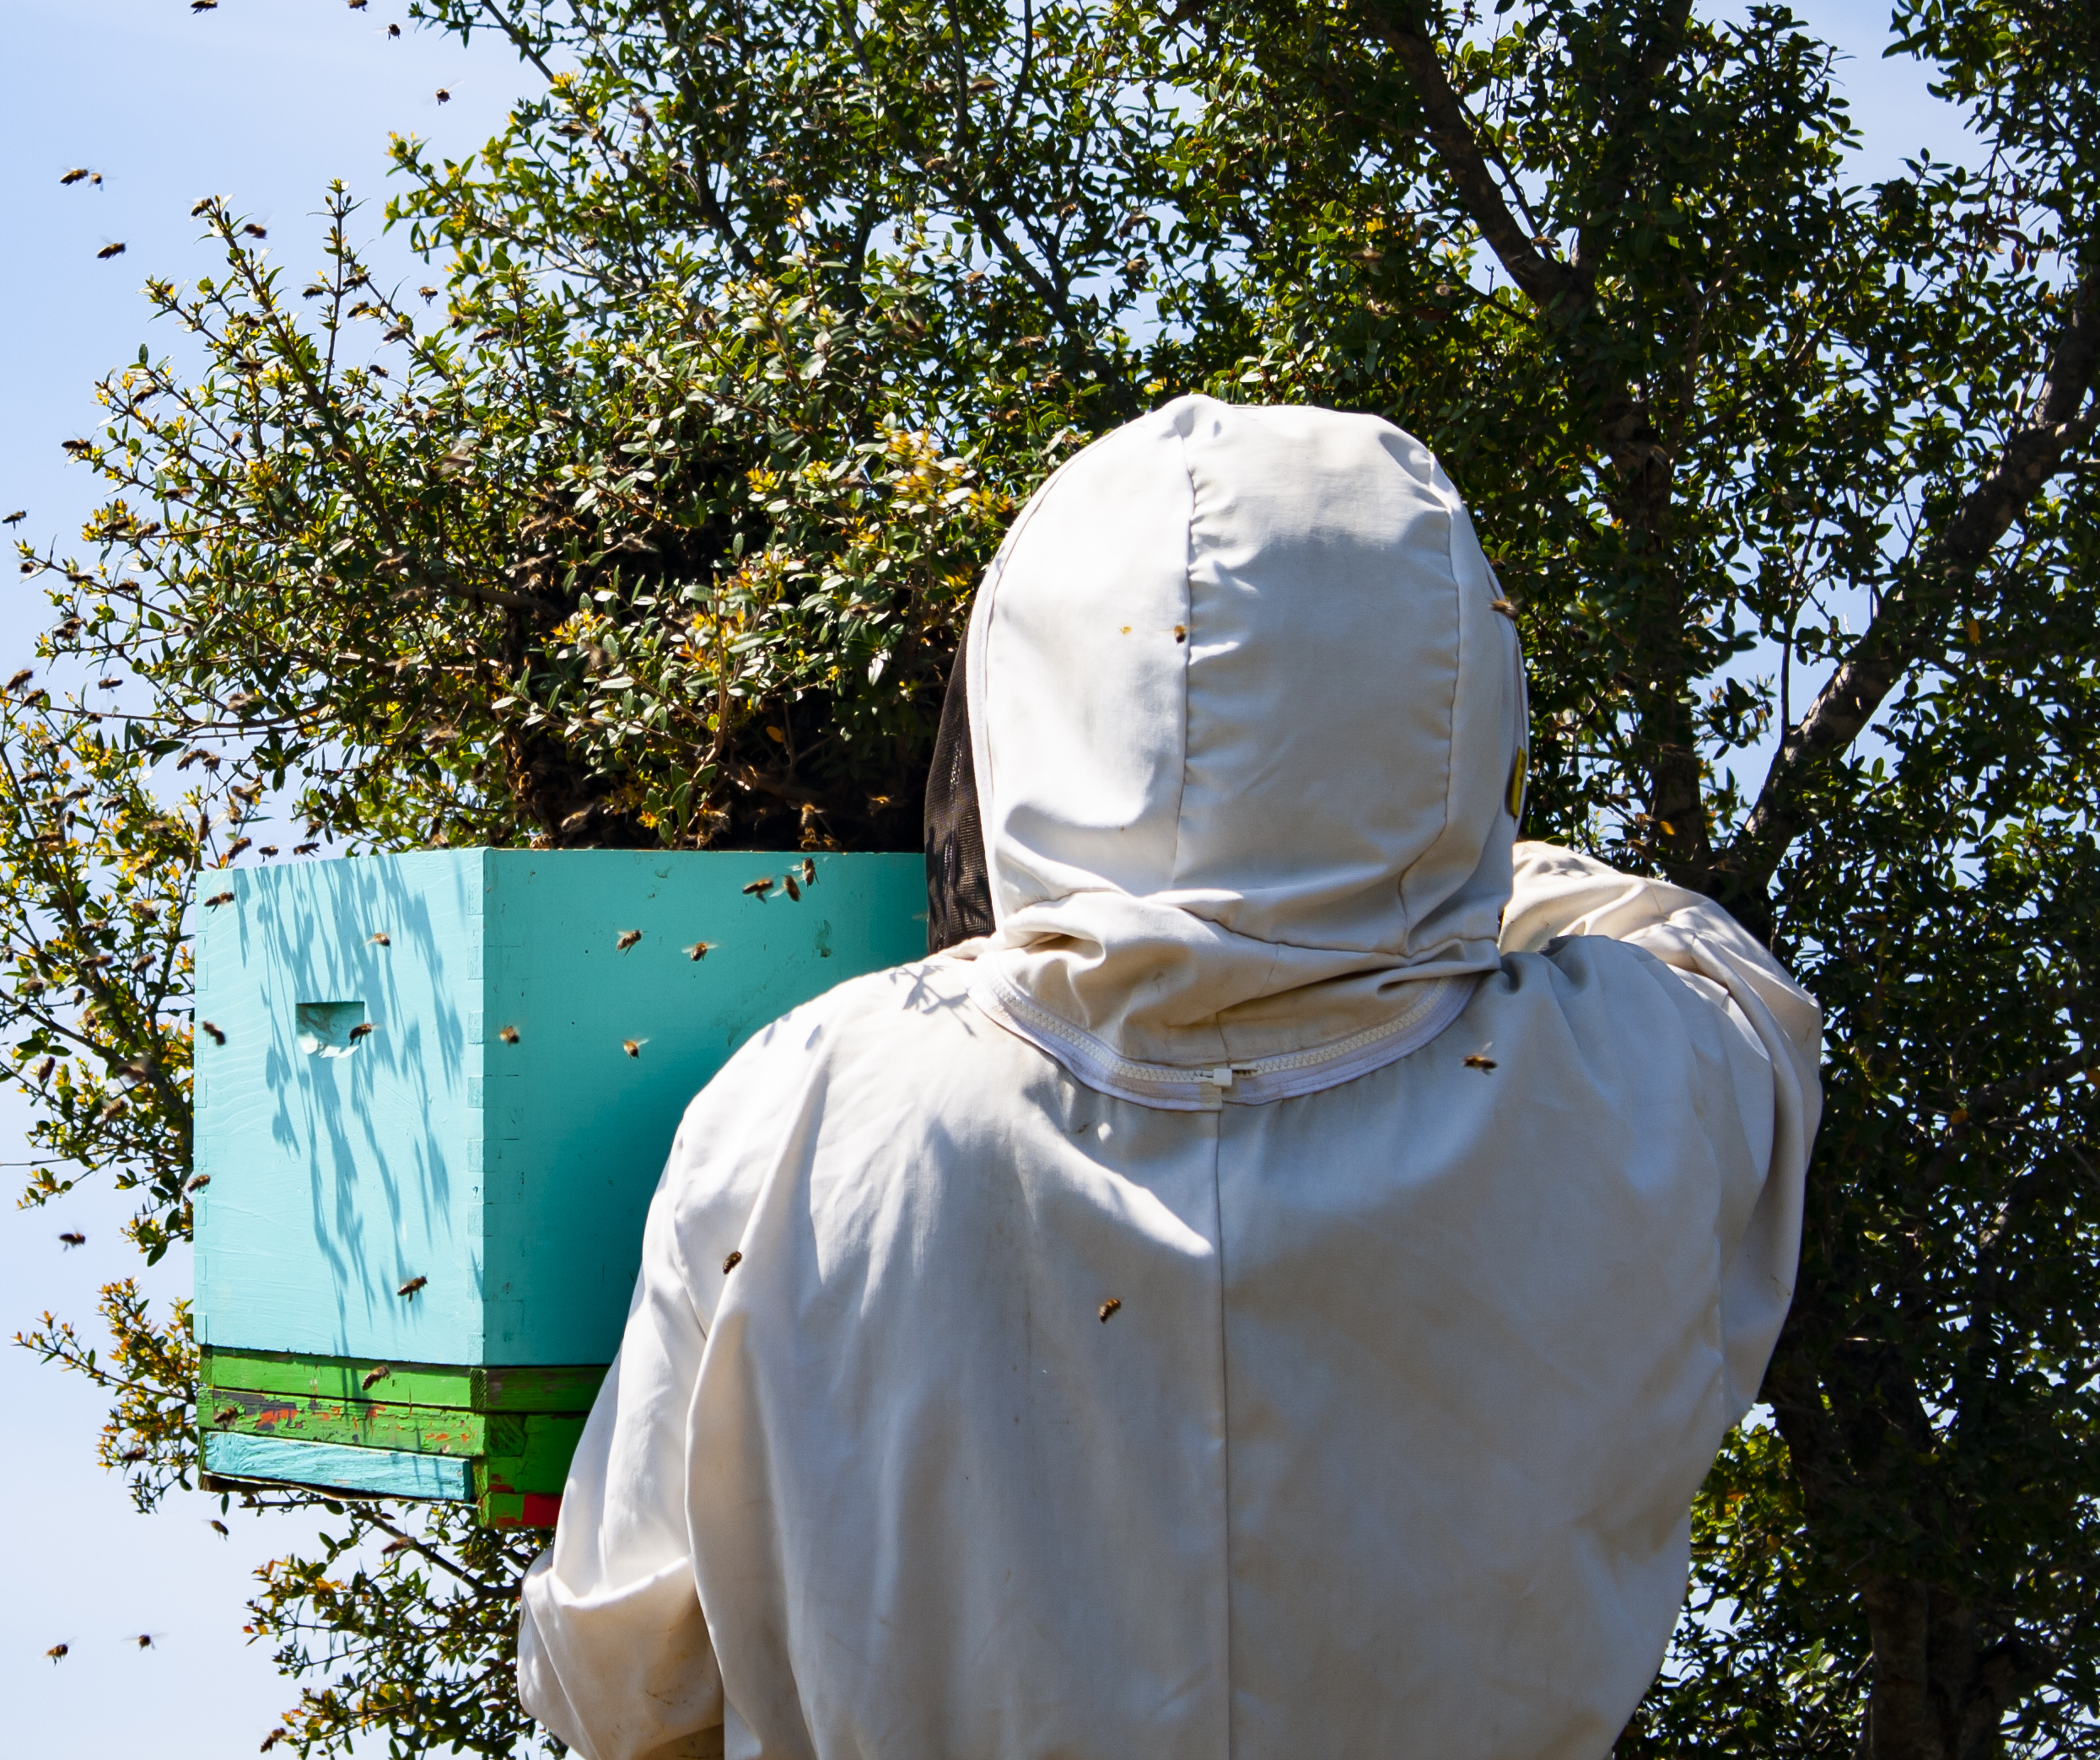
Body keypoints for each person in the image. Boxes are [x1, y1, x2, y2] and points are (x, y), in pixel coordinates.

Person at [518, 396, 1822, 1760]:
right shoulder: (1643, 1079)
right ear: (1463, 696)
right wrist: (1399, 868)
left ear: (1031, 693)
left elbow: (622, 1685)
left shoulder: (803, 1101)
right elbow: (1700, 951)